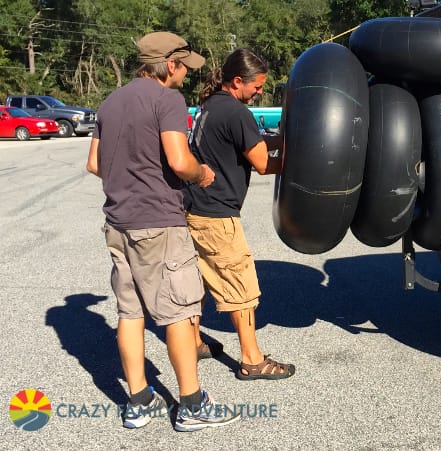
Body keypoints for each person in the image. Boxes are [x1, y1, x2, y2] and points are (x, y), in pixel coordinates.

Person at [86, 31, 240, 432]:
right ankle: (191, 404)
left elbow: (94, 164)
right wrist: (202, 173)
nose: (187, 75)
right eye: (184, 67)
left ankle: (138, 402)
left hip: (118, 223)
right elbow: (178, 159)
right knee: (178, 311)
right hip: (159, 223)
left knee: (130, 312)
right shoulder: (167, 100)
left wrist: (130, 175)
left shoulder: (110, 102)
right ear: (169, 64)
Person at [184, 48, 294, 380]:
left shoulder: (212, 106)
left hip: (193, 208)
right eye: (257, 86)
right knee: (240, 284)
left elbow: (252, 142)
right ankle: (251, 360)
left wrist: (282, 140)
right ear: (237, 81)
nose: (260, 91)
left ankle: (192, 343)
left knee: (197, 282)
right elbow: (263, 163)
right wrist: (303, 161)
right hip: (216, 215)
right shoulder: (236, 113)